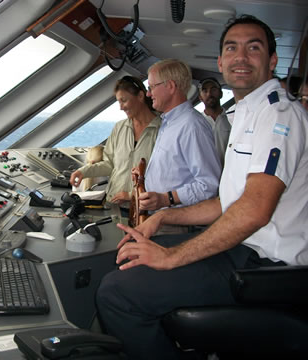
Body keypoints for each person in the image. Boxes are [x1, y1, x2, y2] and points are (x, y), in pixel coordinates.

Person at [96, 15, 308, 359]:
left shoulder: (278, 116)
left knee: (116, 292)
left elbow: (253, 210)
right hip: (242, 249)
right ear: (221, 62)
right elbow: (227, 202)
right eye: (231, 48)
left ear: (272, 61)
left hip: (265, 266)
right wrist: (162, 220)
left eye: (253, 48)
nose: (241, 57)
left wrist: (171, 256)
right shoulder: (246, 115)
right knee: (129, 261)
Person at [136, 59, 221, 215]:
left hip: (177, 221)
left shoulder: (192, 126)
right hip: (159, 216)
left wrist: (166, 199)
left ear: (170, 86)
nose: (148, 93)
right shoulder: (169, 122)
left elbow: (208, 184)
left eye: (151, 87)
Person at [69, 76, 161, 208]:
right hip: (114, 202)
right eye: (118, 102)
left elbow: (163, 175)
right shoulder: (119, 128)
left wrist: (131, 195)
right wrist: (83, 172)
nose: (121, 107)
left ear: (140, 96)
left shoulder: (161, 129)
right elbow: (109, 164)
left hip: (143, 209)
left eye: (124, 101)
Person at [198, 77, 232, 166]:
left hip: (228, 174)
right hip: (205, 175)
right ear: (200, 97)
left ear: (221, 94)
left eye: (213, 90)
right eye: (205, 91)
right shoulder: (196, 122)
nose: (209, 94)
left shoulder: (232, 118)